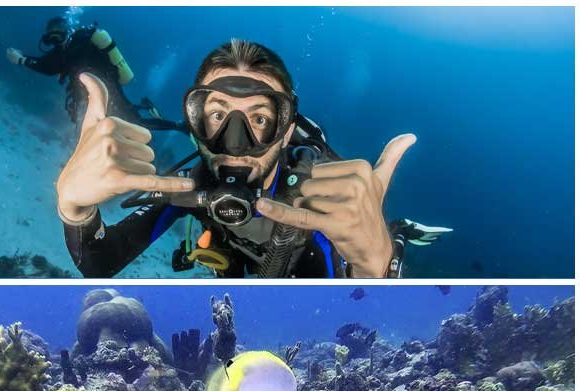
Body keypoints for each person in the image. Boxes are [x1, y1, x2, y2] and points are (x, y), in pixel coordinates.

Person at [54, 38, 451, 278]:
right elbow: (98, 263)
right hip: (237, 264)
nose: (235, 143)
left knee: (376, 238)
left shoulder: (314, 200)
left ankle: (397, 232)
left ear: (286, 130)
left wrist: (377, 266)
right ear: (195, 123)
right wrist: (74, 209)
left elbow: (355, 307)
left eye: (259, 119)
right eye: (217, 116)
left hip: (295, 266)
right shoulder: (189, 185)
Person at [6, 16, 184, 132]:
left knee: (133, 123)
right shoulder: (67, 49)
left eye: (58, 28)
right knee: (116, 124)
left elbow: (49, 66)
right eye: (51, 30)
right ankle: (149, 110)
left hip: (106, 90)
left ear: (66, 28)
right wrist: (24, 58)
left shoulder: (78, 42)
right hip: (97, 92)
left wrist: (22, 60)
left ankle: (178, 126)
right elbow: (50, 63)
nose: (55, 33)